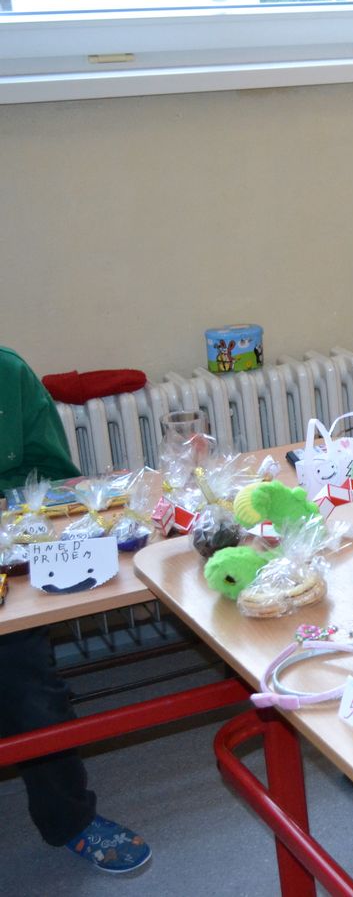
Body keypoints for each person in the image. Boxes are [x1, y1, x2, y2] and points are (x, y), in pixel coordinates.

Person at [0, 346, 152, 873]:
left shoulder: (9, 373)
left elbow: (55, 478)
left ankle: (69, 819)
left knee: (29, 689)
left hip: (8, 557)